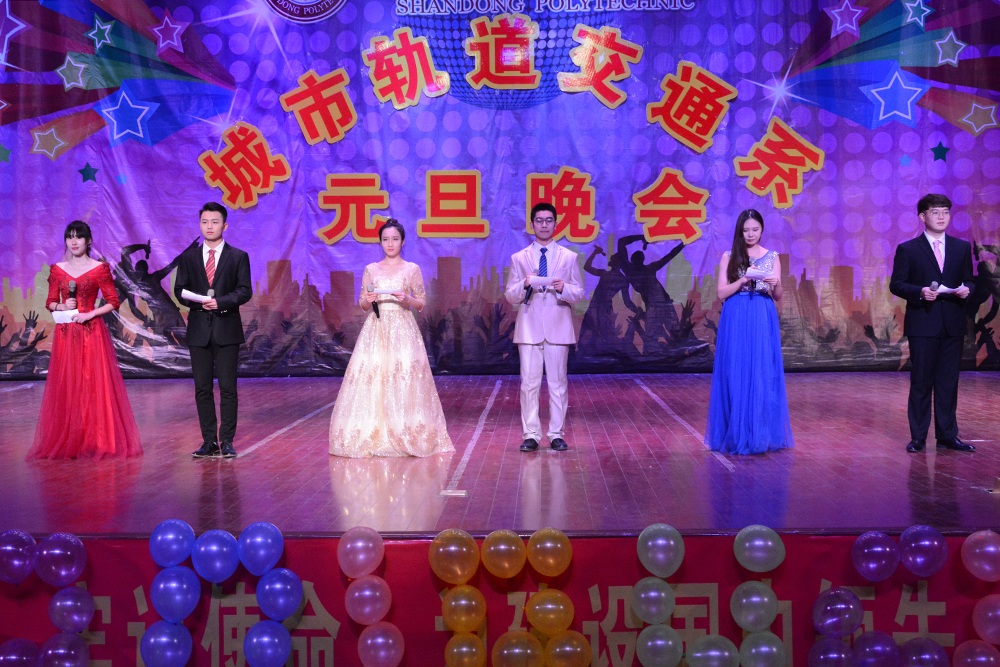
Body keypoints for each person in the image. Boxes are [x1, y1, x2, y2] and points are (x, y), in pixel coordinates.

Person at [329, 219, 455, 457]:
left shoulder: (411, 269)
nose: (390, 243)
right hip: (376, 327)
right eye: (385, 239)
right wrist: (369, 300)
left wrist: (407, 299)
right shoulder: (371, 269)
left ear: (402, 242)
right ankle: (375, 432)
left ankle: (405, 430)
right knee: (374, 376)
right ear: (380, 242)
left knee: (403, 376)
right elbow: (363, 304)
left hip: (402, 327)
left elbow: (421, 303)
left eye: (395, 239)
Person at [27, 221, 142, 460]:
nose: (74, 241)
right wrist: (61, 306)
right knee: (68, 385)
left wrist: (90, 314)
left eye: (79, 237)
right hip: (66, 334)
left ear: (88, 241)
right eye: (69, 237)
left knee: (93, 384)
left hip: (92, 332)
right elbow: (50, 302)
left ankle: (97, 439)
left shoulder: (99, 268)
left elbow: (113, 301)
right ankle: (71, 438)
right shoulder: (58, 270)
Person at [890, 194, 975, 453]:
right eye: (935, 212)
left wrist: (967, 289)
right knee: (922, 381)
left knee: (948, 382)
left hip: (953, 323)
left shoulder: (961, 247)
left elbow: (970, 280)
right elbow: (897, 284)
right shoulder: (908, 249)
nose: (941, 217)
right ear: (922, 216)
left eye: (945, 212)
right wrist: (920, 291)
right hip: (923, 323)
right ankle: (918, 437)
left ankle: (948, 435)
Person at [705, 209, 794, 455]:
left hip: (761, 314)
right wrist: (742, 280)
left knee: (761, 370)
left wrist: (776, 284)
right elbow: (721, 293)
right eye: (746, 230)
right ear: (740, 231)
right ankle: (735, 432)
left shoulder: (772, 256)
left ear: (762, 230)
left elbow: (778, 296)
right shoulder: (729, 256)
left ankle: (760, 433)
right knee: (736, 369)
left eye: (755, 229)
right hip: (736, 314)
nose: (751, 234)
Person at [174, 203, 252, 459]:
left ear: (224, 226)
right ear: (200, 224)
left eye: (215, 222)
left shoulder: (238, 256)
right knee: (202, 388)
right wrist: (198, 301)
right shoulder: (189, 257)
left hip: (226, 328)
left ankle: (227, 440)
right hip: (199, 330)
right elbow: (179, 290)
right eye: (205, 222)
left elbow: (244, 291)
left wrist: (221, 302)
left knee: (228, 388)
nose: (210, 226)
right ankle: (209, 441)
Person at [505, 203, 585, 452]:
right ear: (531, 225)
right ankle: (531, 434)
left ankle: (556, 433)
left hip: (558, 327)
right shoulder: (519, 258)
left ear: (555, 224)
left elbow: (579, 293)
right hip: (529, 328)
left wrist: (564, 288)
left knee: (558, 384)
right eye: (539, 220)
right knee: (529, 384)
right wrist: (524, 284)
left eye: (548, 220)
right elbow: (510, 295)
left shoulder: (569, 256)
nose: (544, 225)